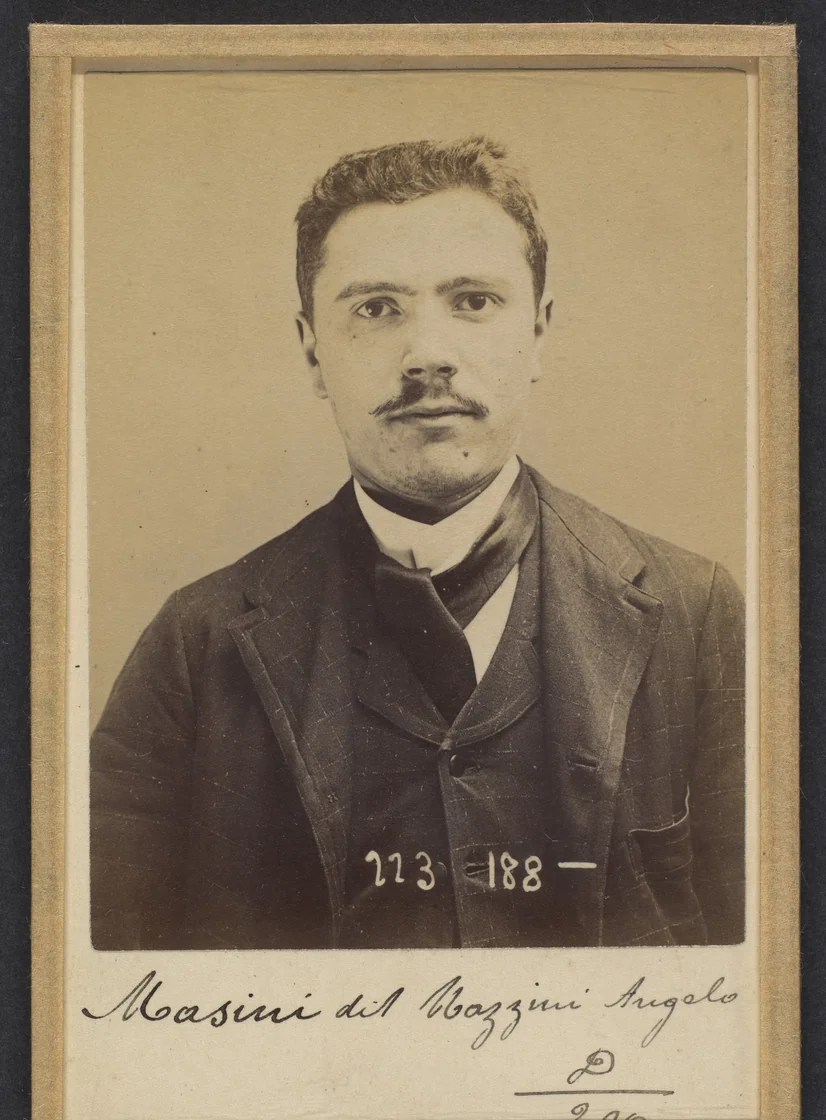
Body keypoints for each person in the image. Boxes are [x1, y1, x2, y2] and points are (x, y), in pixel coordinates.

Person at [90, 135, 745, 951]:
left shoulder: (696, 613)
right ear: (312, 351)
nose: (427, 355)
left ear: (538, 333)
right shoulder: (197, 642)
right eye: (375, 309)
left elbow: (768, 988)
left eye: (473, 302)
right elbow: (102, 1000)